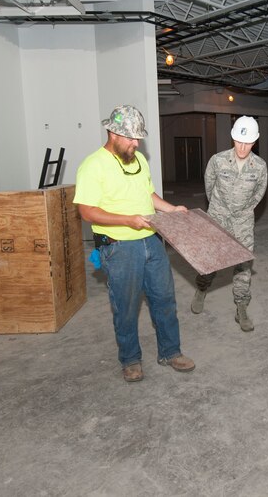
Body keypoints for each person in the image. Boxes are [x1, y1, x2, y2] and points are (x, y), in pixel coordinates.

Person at [74, 105, 195, 383]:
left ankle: (170, 351)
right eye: (130, 138)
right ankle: (130, 359)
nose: (136, 143)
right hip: (119, 247)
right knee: (126, 306)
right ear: (113, 133)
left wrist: (170, 209)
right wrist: (128, 220)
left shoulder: (138, 159)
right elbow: (87, 211)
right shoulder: (93, 165)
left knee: (164, 299)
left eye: (138, 138)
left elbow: (148, 193)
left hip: (151, 241)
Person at [190, 116, 268, 332]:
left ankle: (241, 306)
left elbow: (259, 194)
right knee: (211, 259)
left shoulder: (260, 166)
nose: (242, 147)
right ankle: (201, 288)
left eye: (248, 142)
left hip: (243, 219)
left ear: (255, 141)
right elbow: (209, 187)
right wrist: (220, 209)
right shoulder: (217, 160)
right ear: (233, 138)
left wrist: (243, 210)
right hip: (217, 216)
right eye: (239, 141)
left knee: (243, 263)